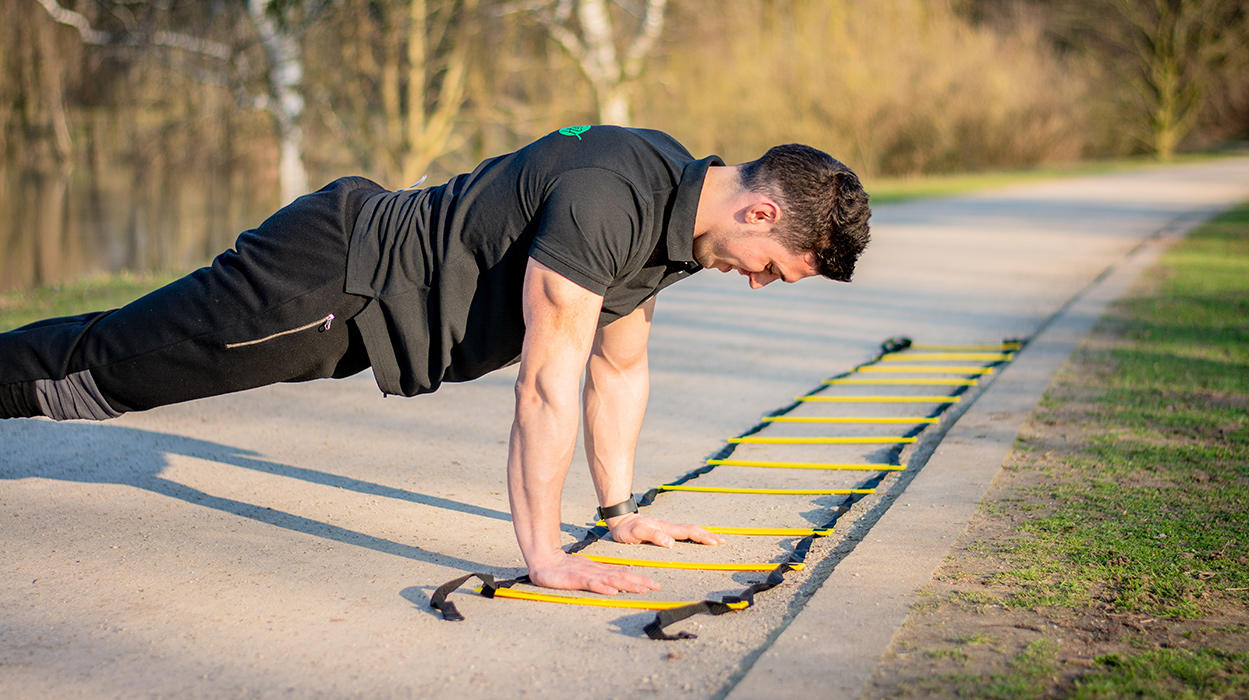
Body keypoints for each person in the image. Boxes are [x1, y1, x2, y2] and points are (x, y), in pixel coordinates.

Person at [0, 125, 871, 595]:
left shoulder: (670, 213)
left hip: (352, 287)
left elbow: (619, 369)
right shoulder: (613, 198)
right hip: (325, 282)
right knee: (102, 371)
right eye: (773, 269)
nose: (758, 284)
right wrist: (546, 560)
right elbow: (545, 383)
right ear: (759, 214)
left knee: (103, 358)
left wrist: (620, 510)